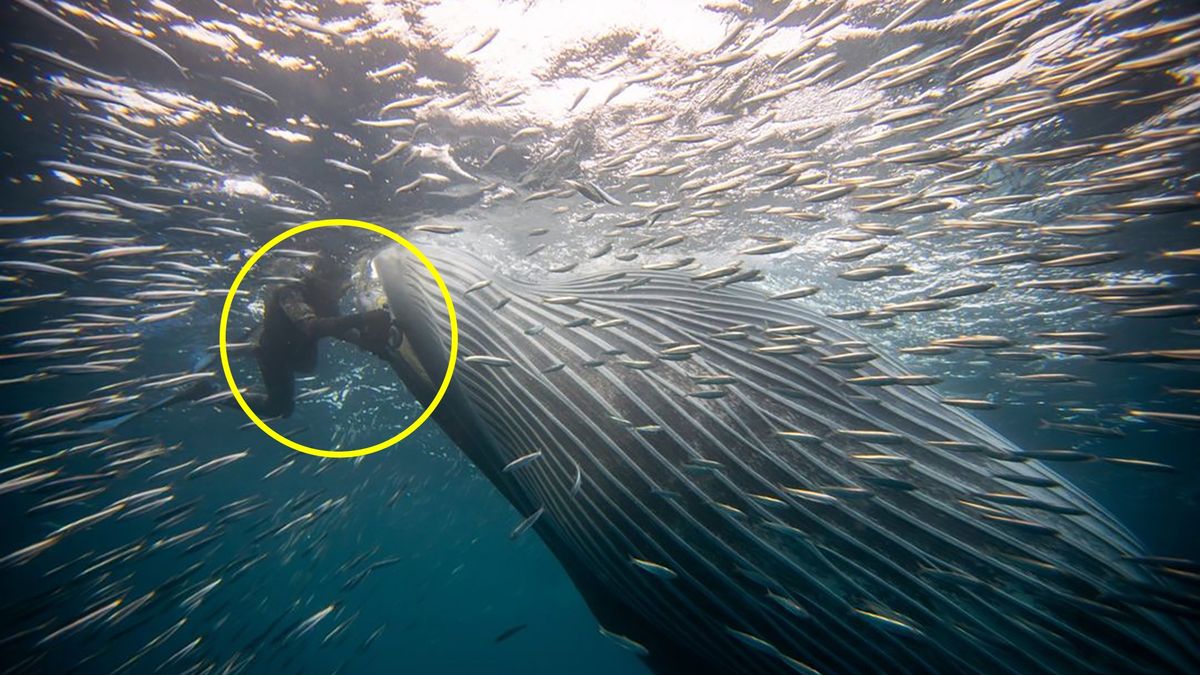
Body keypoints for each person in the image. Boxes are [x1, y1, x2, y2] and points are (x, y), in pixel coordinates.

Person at [248, 255, 392, 418]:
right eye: (340, 286)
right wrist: (365, 318)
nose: (343, 292)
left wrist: (374, 346)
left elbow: (339, 328)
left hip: (299, 351)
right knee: (280, 409)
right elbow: (311, 327)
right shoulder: (290, 291)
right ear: (322, 280)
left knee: (303, 371)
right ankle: (225, 396)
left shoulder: (326, 297)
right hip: (273, 352)